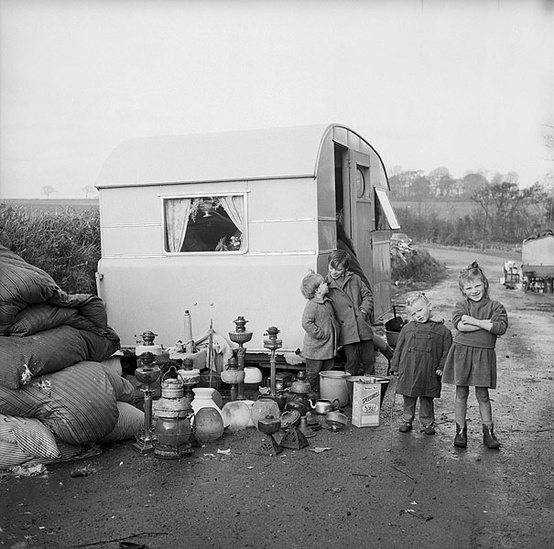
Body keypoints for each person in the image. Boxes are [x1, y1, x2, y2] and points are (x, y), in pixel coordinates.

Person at [442, 261, 508, 449]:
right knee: (461, 393)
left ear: (485, 284)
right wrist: (485, 323)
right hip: (462, 353)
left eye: (477, 285)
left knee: (483, 395)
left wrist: (473, 321)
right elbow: (460, 325)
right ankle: (460, 431)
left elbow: (499, 327)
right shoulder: (461, 305)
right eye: (469, 288)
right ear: (463, 290)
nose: (474, 290)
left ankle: (488, 432)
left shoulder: (496, 306)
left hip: (483, 356)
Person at [389, 293, 453, 435]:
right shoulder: (407, 328)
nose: (418, 315)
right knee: (408, 396)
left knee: (426, 398)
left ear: (429, 306)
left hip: (429, 370)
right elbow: (398, 348)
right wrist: (395, 366)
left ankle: (428, 423)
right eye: (413, 313)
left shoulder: (443, 331)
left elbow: (447, 351)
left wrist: (442, 367)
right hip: (409, 368)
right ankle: (407, 420)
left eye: (420, 310)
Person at [325, 249, 375, 376]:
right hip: (346, 330)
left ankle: (371, 392)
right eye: (331, 268)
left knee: (369, 361)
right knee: (352, 361)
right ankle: (351, 392)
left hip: (362, 326)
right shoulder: (326, 285)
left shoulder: (355, 279)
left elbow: (368, 295)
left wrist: (363, 311)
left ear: (346, 268)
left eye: (339, 269)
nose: (334, 272)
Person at [300, 271, 339, 393]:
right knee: (313, 375)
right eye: (323, 283)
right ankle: (312, 397)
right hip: (315, 350)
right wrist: (320, 334)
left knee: (327, 374)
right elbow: (306, 322)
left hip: (327, 348)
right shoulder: (313, 305)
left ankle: (325, 396)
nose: (326, 284)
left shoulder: (327, 302)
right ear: (317, 290)